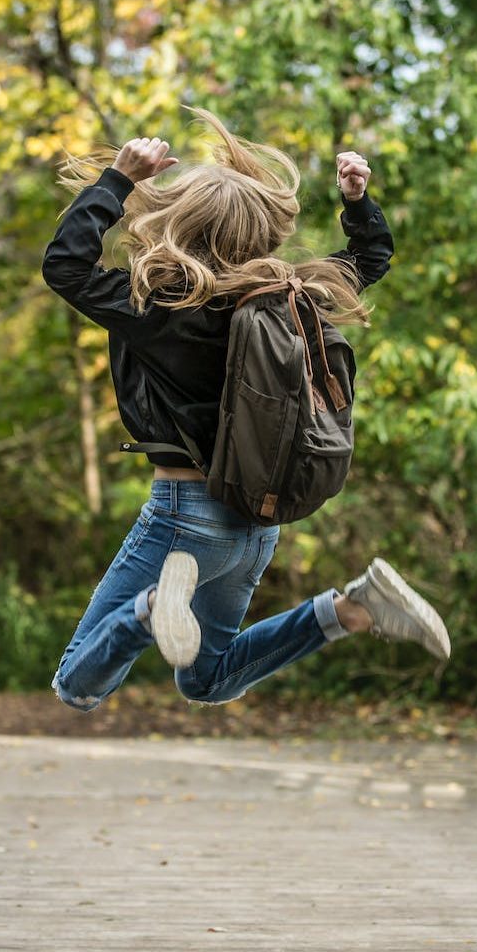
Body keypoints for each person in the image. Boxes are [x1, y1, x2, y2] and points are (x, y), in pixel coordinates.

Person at [42, 107, 450, 712]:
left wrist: (118, 180)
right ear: (258, 230)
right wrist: (358, 204)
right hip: (255, 523)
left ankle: (154, 608)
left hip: (183, 518)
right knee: (206, 680)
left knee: (76, 684)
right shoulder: (291, 297)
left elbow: (65, 266)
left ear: (179, 222)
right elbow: (369, 262)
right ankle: (353, 608)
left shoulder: (156, 305)